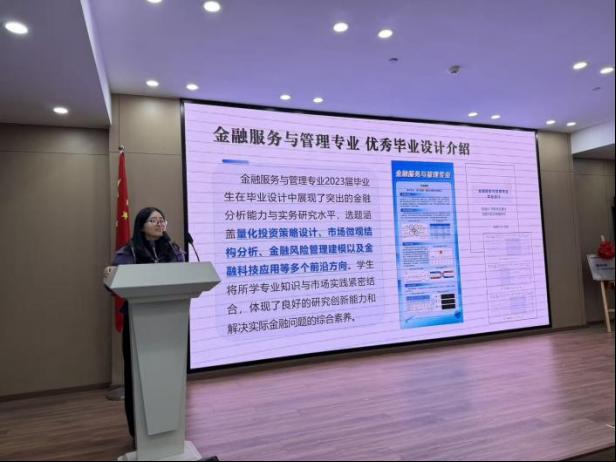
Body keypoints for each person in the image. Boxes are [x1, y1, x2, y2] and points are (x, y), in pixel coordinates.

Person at [103, 207, 185, 440]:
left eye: (162, 220)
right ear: (141, 225)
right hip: (137, 324)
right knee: (137, 379)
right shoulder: (128, 252)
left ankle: (170, 432)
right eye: (153, 220)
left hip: (171, 323)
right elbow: (114, 283)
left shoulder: (173, 250)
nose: (160, 224)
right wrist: (110, 275)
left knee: (168, 377)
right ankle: (139, 434)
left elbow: (185, 275)